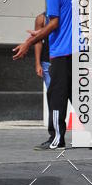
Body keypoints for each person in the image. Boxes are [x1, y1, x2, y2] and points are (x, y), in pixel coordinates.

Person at [13, 0, 73, 150]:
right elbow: (61, 20)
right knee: (74, 93)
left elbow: (54, 23)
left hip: (62, 51)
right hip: (75, 49)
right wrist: (39, 34)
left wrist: (28, 43)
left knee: (56, 96)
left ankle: (57, 138)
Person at [33, 11, 54, 147]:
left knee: (73, 96)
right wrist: (38, 63)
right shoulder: (41, 18)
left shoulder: (66, 15)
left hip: (65, 61)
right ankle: (54, 135)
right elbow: (37, 41)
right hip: (47, 63)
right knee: (53, 98)